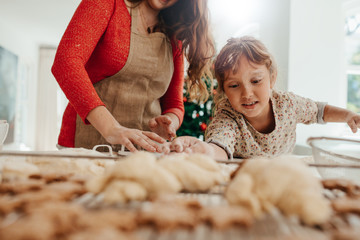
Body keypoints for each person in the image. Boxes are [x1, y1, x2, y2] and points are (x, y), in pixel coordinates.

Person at [52, 0, 215, 153]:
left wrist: (169, 121)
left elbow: (174, 104)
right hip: (86, 146)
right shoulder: (107, 4)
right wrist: (111, 129)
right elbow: (65, 62)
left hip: (144, 153)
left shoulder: (174, 36)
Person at [163, 36, 360, 159]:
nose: (247, 93)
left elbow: (319, 111)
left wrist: (347, 115)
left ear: (272, 78)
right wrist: (205, 151)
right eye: (234, 85)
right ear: (223, 90)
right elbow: (220, 144)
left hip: (282, 175)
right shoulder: (227, 116)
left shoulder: (288, 104)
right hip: (244, 181)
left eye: (256, 81)